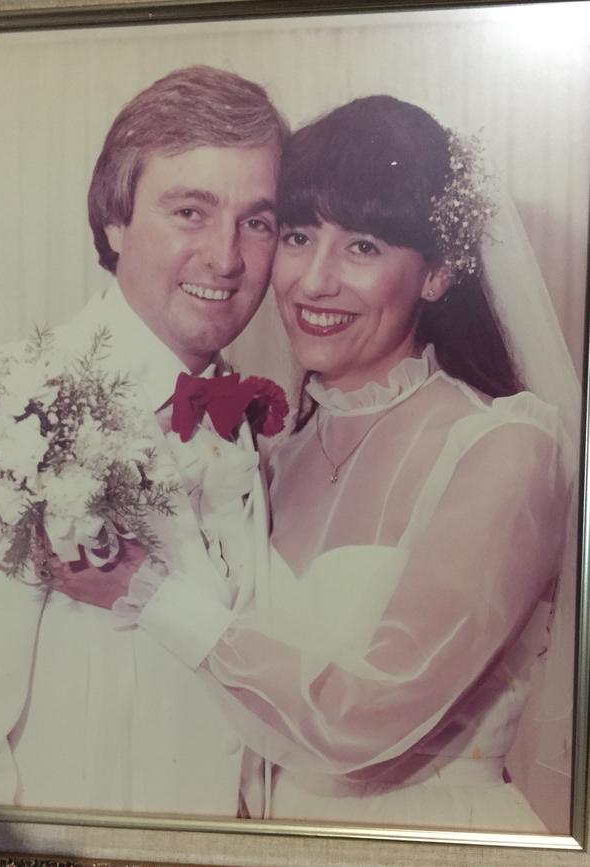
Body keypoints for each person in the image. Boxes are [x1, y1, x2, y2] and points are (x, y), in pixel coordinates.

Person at [135, 95, 577, 831]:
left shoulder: (504, 448)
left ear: (437, 273)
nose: (313, 280)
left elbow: (365, 720)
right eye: (299, 235)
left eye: (364, 246)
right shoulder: (266, 453)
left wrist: (151, 595)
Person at [0, 65, 287, 816]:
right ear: (114, 219)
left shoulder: (260, 425)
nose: (226, 257)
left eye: (256, 221)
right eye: (190, 212)